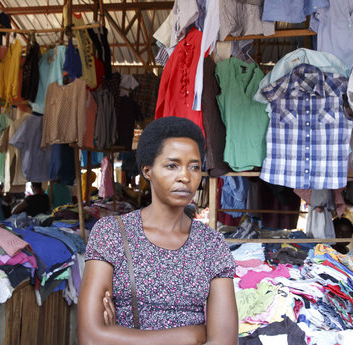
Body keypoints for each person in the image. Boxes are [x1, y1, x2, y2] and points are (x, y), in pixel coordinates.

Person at [78, 117, 238, 345]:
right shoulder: (112, 234)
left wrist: (117, 338)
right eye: (172, 165)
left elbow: (223, 341)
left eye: (194, 167)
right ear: (147, 171)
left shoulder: (211, 245)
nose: (185, 176)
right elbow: (91, 338)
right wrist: (192, 335)